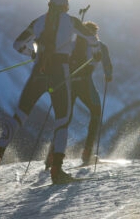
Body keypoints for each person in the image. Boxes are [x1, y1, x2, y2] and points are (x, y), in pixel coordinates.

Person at [0, 0, 101, 184]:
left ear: (50, 4)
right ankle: (57, 171)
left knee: (19, 116)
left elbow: (18, 44)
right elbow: (92, 39)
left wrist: (32, 53)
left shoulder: (38, 22)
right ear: (65, 5)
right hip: (60, 73)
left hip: (38, 72)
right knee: (62, 120)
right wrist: (96, 54)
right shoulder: (72, 22)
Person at [45, 21, 113, 169]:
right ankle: (87, 152)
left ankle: (51, 155)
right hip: (84, 83)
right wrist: (108, 75)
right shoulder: (100, 46)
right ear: (95, 33)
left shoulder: (71, 45)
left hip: (68, 84)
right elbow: (107, 64)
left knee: (64, 118)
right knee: (95, 112)